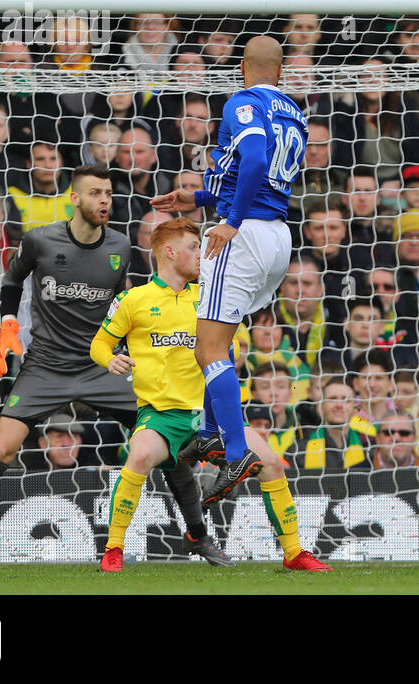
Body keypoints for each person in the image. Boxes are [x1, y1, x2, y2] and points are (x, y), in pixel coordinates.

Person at [0, 165, 207, 567]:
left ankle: (198, 537)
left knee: (170, 443)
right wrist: (8, 325)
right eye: (95, 193)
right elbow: (11, 282)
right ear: (74, 199)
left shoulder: (120, 247)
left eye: (109, 194)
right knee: (3, 446)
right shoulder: (40, 240)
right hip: (46, 365)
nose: (104, 201)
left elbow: (123, 305)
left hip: (103, 366)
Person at [149, 37, 311, 505]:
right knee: (219, 340)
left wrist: (229, 222)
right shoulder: (295, 113)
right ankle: (215, 433)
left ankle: (235, 450)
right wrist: (200, 199)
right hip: (278, 234)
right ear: (280, 70)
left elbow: (256, 160)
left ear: (243, 66)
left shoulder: (243, 101)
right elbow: (257, 176)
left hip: (247, 233)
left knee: (208, 347)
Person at [90, 218, 232, 571]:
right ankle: (114, 549)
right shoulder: (132, 300)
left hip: (209, 415)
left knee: (269, 463)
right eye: (194, 247)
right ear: (169, 252)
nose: (201, 255)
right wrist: (111, 359)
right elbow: (99, 344)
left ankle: (294, 551)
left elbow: (233, 346)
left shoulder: (209, 297)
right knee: (138, 457)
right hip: (162, 415)